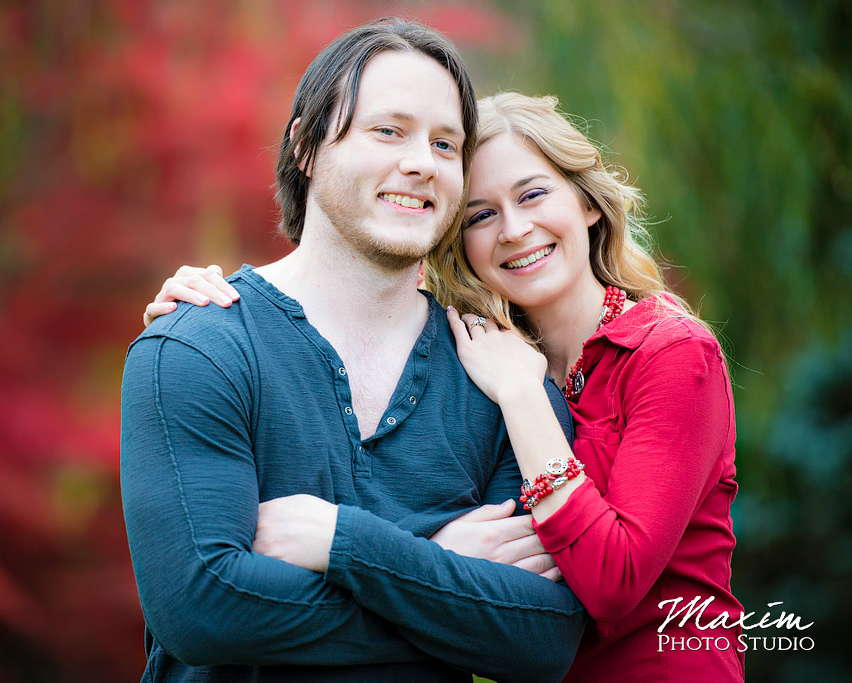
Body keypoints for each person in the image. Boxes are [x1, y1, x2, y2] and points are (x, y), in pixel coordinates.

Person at [147, 92, 743, 681]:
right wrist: (194, 328)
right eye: (481, 215)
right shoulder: (477, 356)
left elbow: (611, 583)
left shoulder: (670, 354)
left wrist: (522, 398)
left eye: (533, 194)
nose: (514, 229)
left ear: (588, 203)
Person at [120, 19, 586, 683]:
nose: (422, 161)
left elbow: (543, 637)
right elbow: (201, 608)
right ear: (307, 145)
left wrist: (350, 546)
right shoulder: (198, 346)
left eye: (446, 143)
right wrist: (442, 571)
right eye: (388, 131)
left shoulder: (504, 377)